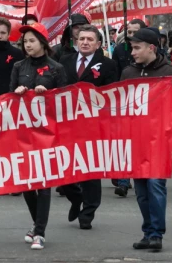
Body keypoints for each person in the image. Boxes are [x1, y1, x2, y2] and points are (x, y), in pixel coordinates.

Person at [121, 28, 172, 252]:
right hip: (136, 139)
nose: (133, 52)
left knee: (155, 186)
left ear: (151, 48)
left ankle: (156, 234)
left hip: (159, 139)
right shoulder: (128, 72)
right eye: (132, 48)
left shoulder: (170, 71)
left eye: (136, 48)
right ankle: (147, 231)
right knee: (141, 190)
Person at [10, 22, 67, 250]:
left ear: (42, 43)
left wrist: (49, 94)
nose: (28, 45)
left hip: (47, 134)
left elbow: (65, 102)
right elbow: (9, 97)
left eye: (32, 41)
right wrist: (17, 93)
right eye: (25, 42)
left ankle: (39, 232)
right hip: (23, 133)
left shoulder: (56, 69)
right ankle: (36, 224)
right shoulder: (18, 67)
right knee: (26, 183)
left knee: (43, 183)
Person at [59, 25, 119, 226]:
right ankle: (76, 198)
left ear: (99, 44)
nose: (85, 42)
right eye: (82, 38)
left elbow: (111, 96)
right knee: (64, 169)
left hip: (94, 125)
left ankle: (88, 212)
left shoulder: (108, 65)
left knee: (90, 170)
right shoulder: (64, 61)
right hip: (67, 123)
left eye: (90, 39)